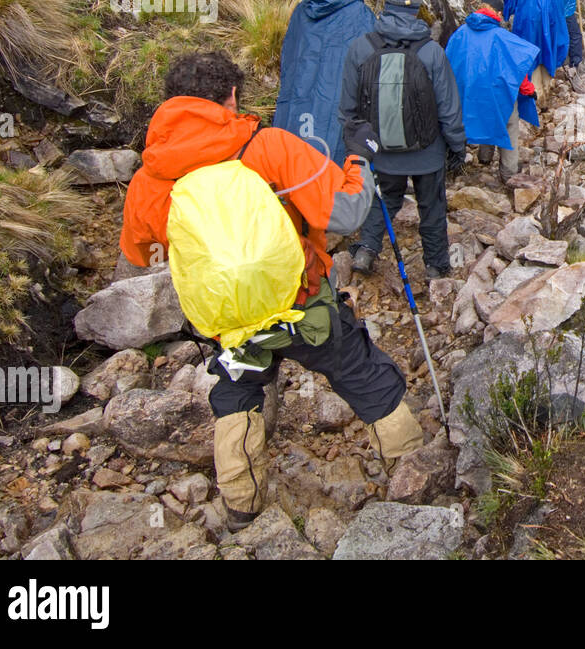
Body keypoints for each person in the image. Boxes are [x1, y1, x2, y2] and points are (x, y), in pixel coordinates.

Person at [119, 52, 422, 531]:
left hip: (229, 321)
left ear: (170, 105)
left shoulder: (151, 181)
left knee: (237, 393)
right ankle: (412, 470)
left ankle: (241, 505)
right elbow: (344, 214)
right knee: (359, 370)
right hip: (300, 302)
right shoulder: (269, 148)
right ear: (232, 97)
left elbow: (141, 254)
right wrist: (361, 159)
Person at [340, 0, 466, 279]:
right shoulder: (432, 52)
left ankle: (367, 249)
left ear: (386, 6)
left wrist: (360, 148)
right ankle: (436, 266)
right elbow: (449, 108)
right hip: (428, 151)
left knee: (382, 197)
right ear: (418, 10)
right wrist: (457, 148)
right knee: (432, 207)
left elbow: (347, 108)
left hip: (380, 151)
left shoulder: (360, 48)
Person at [274, 0, 376, 162]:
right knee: (330, 150)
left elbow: (289, 53)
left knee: (296, 149)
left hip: (300, 89)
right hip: (337, 96)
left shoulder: (302, 9)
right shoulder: (360, 13)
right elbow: (370, 61)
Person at [445, 0, 540, 183]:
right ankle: (509, 174)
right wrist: (529, 91)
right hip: (497, 94)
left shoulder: (460, 33)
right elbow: (517, 68)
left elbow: (448, 62)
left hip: (466, 94)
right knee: (509, 125)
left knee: (469, 121)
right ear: (497, 13)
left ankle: (479, 159)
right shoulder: (502, 37)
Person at [503, 0, 568, 100]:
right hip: (551, 25)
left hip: (528, 26)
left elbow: (509, 5)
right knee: (548, 52)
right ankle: (545, 93)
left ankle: (532, 97)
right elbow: (561, 4)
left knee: (529, 55)